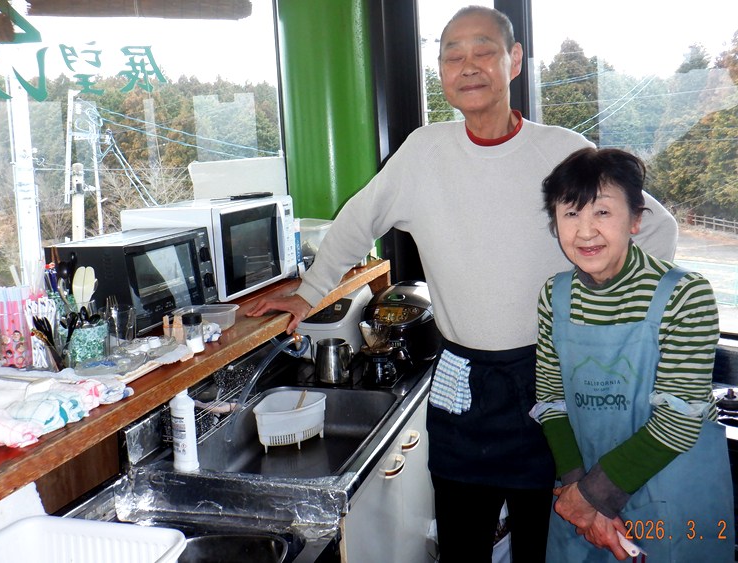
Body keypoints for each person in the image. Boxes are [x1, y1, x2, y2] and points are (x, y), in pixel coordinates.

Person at [247, 6, 678, 561]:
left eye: (483, 51)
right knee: (461, 544)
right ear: (441, 71)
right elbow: (358, 220)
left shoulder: (561, 150)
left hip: (550, 379)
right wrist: (308, 293)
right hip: (460, 378)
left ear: (513, 61)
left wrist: (611, 314)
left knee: (547, 546)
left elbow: (654, 227)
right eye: (453, 55)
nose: (468, 66)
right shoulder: (423, 152)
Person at [531, 147, 734, 561]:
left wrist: (589, 498)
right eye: (571, 213)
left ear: (636, 219)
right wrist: (579, 498)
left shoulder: (685, 295)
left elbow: (678, 422)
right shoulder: (555, 296)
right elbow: (551, 402)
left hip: (672, 498)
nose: (585, 231)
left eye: (603, 212)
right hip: (582, 492)